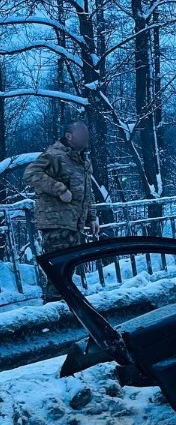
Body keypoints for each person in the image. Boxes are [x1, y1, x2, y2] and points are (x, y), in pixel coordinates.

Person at [24, 121, 100, 303]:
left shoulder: (82, 160)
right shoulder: (54, 155)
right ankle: (52, 314)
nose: (85, 136)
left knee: (67, 269)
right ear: (69, 136)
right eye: (81, 132)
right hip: (56, 222)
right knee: (58, 270)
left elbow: (87, 192)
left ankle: (63, 308)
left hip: (75, 222)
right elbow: (30, 174)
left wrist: (92, 216)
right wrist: (59, 189)